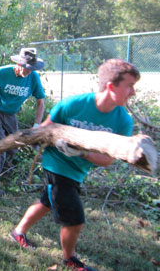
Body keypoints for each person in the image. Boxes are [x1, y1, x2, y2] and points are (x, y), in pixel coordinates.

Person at [9, 59, 140, 271]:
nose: (133, 92)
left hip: (78, 170)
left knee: (47, 201)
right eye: (129, 85)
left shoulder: (123, 122)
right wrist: (37, 139)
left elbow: (108, 159)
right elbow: (44, 130)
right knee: (75, 219)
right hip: (56, 163)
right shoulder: (74, 105)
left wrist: (82, 153)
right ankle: (69, 259)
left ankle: (18, 232)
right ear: (111, 86)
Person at [0, 48, 45, 195]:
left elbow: (40, 103)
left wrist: (37, 126)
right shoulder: (2, 72)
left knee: (13, 147)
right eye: (26, 68)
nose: (28, 71)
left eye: (31, 69)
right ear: (19, 64)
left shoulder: (33, 78)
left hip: (11, 114)